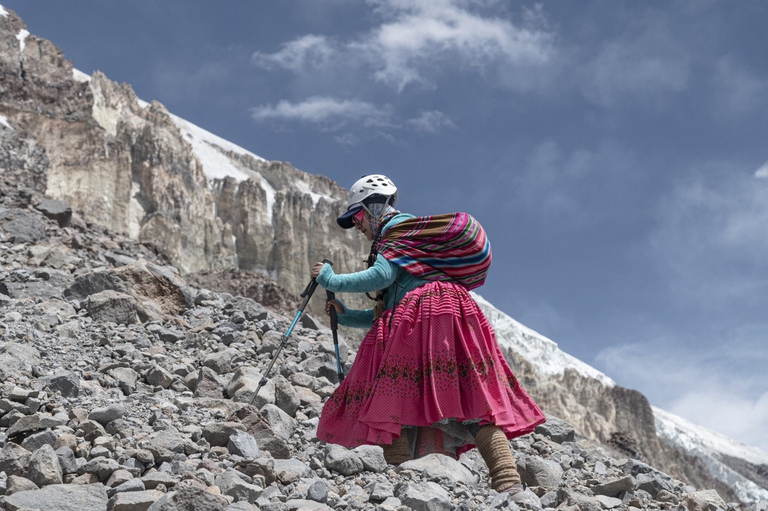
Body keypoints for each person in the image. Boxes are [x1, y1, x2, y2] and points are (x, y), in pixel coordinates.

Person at [311, 174, 545, 498]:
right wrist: (346, 315)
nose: (358, 227)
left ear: (372, 207)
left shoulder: (395, 230)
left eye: (358, 217)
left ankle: (401, 489)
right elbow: (387, 312)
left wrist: (331, 279)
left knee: (388, 398)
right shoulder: (412, 241)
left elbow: (382, 276)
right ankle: (509, 484)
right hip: (452, 311)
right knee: (470, 397)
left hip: (422, 313)